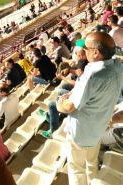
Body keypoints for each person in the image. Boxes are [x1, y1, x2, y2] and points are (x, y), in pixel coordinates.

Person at [57, 32, 123, 185]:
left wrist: (60, 104)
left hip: (81, 132)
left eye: (86, 48)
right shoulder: (117, 67)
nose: (83, 51)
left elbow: (70, 107)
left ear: (95, 52)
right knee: (91, 164)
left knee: (76, 169)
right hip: (98, 129)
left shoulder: (92, 74)